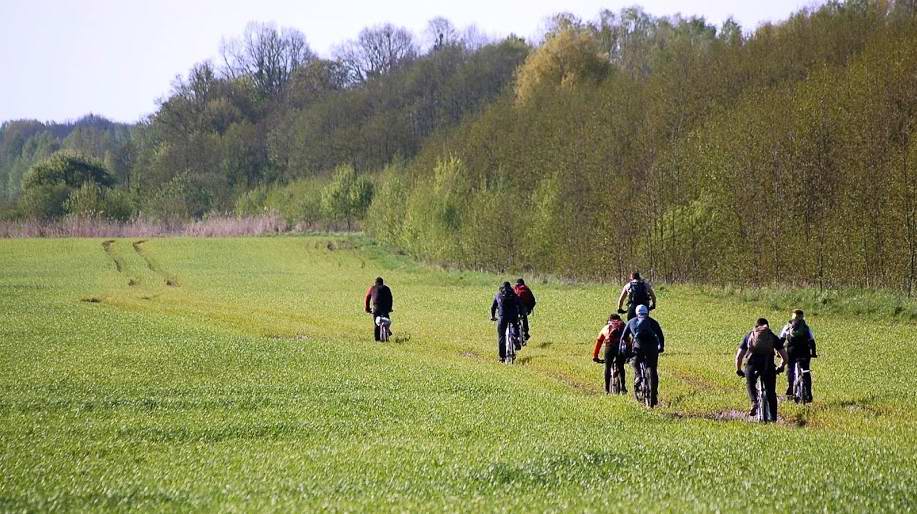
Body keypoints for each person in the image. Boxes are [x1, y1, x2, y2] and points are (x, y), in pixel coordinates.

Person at [735, 318, 789, 421]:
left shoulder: (750, 335)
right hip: (768, 365)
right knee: (771, 392)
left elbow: (739, 357)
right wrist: (781, 366)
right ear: (767, 326)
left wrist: (738, 369)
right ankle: (773, 417)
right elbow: (785, 357)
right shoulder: (772, 336)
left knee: (750, 382)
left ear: (756, 326)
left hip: (752, 364)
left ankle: (754, 401)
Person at [620, 304, 664, 406]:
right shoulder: (653, 322)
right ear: (647, 312)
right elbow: (660, 336)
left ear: (636, 312)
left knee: (635, 361)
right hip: (652, 347)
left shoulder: (632, 321)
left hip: (638, 346)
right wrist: (661, 347)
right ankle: (654, 394)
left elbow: (623, 337)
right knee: (652, 368)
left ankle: (638, 376)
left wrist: (623, 351)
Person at [779, 309, 817, 401]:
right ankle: (808, 393)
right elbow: (812, 341)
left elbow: (781, 341)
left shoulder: (787, 327)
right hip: (804, 351)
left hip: (791, 351)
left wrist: (778, 352)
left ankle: (790, 389)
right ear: (802, 317)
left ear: (793, 316)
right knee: (806, 371)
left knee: (790, 369)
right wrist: (813, 353)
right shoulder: (806, 328)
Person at [592, 313, 629, 394]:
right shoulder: (622, 325)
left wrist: (595, 356)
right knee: (621, 366)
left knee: (607, 367)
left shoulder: (606, 327)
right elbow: (628, 340)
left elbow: (599, 341)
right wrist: (629, 353)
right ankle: (623, 387)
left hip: (610, 347)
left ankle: (606, 389)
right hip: (620, 347)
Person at [490, 281, 521, 363]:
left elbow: (493, 307)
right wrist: (520, 314)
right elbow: (520, 304)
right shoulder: (513, 294)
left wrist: (493, 316)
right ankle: (516, 339)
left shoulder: (498, 295)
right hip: (513, 315)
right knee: (515, 326)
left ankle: (502, 357)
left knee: (501, 336)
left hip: (502, 317)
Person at [363, 277, 393, 342]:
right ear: (382, 283)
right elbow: (390, 298)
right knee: (387, 321)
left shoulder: (372, 288)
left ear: (375, 283)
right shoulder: (386, 288)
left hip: (376, 308)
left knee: (376, 324)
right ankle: (387, 333)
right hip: (385, 307)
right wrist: (390, 308)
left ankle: (377, 340)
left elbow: (367, 297)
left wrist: (367, 308)